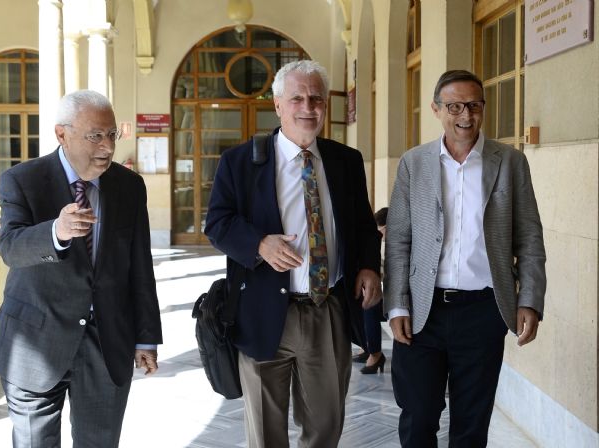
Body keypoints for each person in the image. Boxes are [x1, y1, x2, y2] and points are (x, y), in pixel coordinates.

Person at [205, 60, 382, 447]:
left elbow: (363, 225)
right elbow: (216, 223)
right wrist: (259, 244)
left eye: (316, 99)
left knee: (325, 427)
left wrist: (370, 266)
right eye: (297, 98)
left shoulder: (345, 161)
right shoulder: (240, 162)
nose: (308, 107)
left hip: (326, 310)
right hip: (262, 311)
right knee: (266, 434)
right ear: (277, 105)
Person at [0, 90, 163, 447]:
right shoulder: (22, 179)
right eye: (95, 136)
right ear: (61, 134)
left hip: (106, 344)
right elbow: (10, 247)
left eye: (111, 134)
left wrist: (146, 336)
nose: (107, 147)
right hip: (34, 342)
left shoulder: (129, 186)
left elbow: (140, 265)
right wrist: (56, 232)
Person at [385, 70, 546, 447]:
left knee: (471, 426)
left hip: (483, 311)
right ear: (436, 109)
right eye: (455, 106)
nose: (466, 115)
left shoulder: (510, 162)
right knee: (418, 417)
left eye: (474, 105)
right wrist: (396, 305)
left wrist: (530, 300)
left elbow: (529, 237)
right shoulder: (413, 163)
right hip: (423, 312)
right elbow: (398, 240)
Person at [353, 207, 388, 374]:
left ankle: (375, 354)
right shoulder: (381, 244)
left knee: (369, 306)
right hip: (386, 292)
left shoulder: (396, 244)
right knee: (360, 300)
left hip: (398, 298)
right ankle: (367, 348)